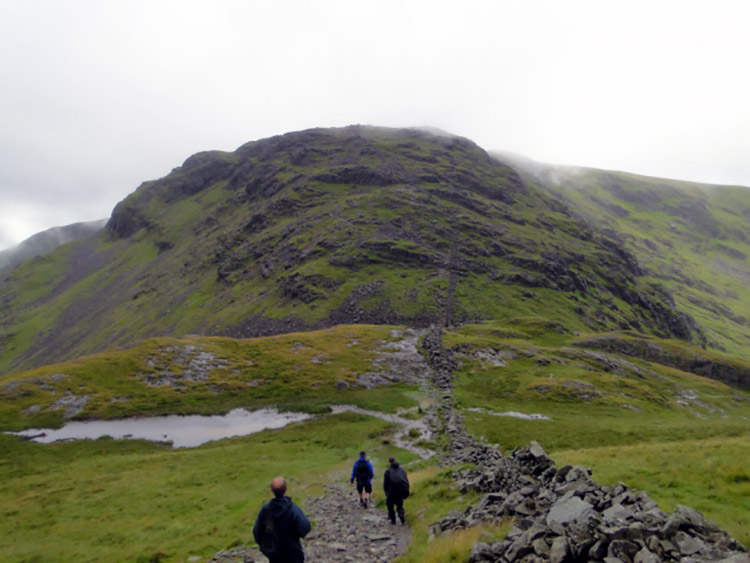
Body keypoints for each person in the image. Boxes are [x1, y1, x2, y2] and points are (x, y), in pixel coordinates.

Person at [253, 476, 311, 563]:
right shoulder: (292, 509)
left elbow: (256, 531)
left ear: (272, 490)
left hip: (275, 554)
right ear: (285, 489)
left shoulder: (266, 509)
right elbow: (305, 527)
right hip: (293, 552)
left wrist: (266, 547)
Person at [383, 455, 410, 525]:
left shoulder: (388, 471)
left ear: (389, 461)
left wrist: (386, 492)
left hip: (391, 492)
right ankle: (402, 518)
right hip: (400, 491)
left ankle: (393, 520)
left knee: (390, 505)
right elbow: (406, 481)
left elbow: (385, 483)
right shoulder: (402, 470)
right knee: (400, 505)